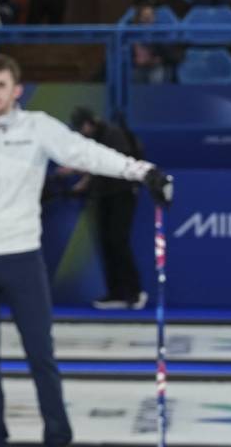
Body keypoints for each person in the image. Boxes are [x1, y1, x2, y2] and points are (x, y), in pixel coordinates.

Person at [0, 54, 172, 447]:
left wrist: (140, 170)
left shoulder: (38, 127)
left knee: (40, 354)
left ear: (16, 90)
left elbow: (86, 153)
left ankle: (58, 436)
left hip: (21, 257)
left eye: (1, 86)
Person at [67, 108, 146, 310]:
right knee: (106, 243)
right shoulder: (94, 139)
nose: (81, 132)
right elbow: (95, 168)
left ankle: (134, 292)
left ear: (89, 123)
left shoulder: (113, 135)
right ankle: (116, 293)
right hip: (103, 196)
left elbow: (113, 166)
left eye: (82, 127)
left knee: (118, 241)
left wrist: (84, 179)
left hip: (122, 194)